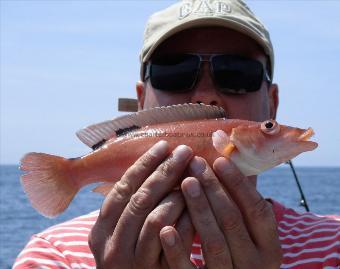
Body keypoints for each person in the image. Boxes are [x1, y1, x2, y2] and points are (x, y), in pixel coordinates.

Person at [14, 0, 340, 268]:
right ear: (140, 103)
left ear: (273, 105)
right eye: (175, 71)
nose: (204, 94)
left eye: (237, 71)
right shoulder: (54, 255)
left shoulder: (333, 246)